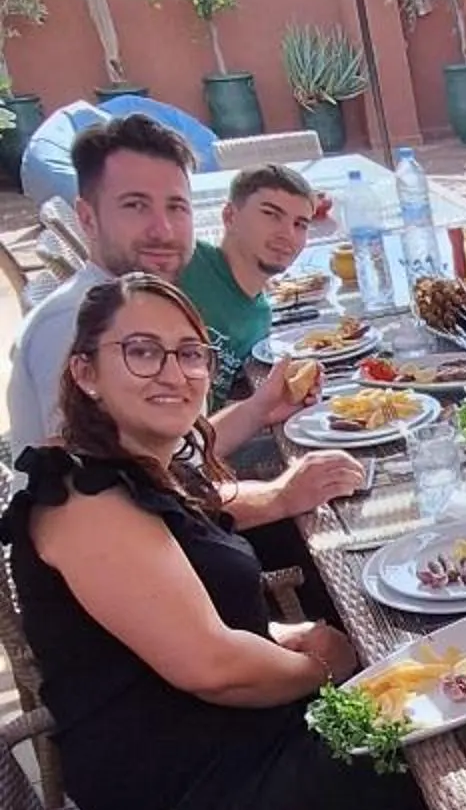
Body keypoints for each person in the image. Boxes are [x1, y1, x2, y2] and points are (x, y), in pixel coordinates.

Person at [1, 276, 466, 810]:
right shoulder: (84, 503)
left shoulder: (127, 467)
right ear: (85, 372)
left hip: (210, 757)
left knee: (431, 681)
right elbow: (214, 667)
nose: (174, 371)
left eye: (188, 353)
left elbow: (190, 584)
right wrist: (326, 661)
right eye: (142, 351)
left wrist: (285, 559)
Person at [5, 118, 327, 522]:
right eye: (135, 205)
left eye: (176, 206)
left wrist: (261, 407)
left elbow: (176, 456)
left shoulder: (134, 305)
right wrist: (279, 496)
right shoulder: (74, 327)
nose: (163, 229)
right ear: (87, 218)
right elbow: (115, 512)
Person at [179, 161, 317, 405]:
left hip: (208, 437)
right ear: (230, 216)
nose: (288, 234)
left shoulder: (260, 317)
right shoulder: (186, 260)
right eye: (271, 215)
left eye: (300, 224)